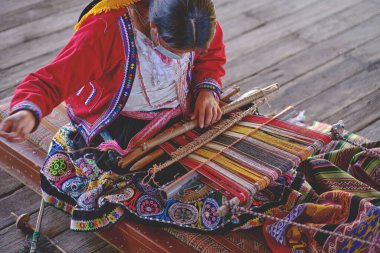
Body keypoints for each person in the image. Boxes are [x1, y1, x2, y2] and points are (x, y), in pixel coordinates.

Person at [0, 0, 227, 231]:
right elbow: (54, 79)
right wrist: (27, 112)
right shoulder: (106, 30)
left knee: (225, 161)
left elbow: (210, 58)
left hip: (182, 116)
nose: (182, 57)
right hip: (123, 129)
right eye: (176, 50)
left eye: (190, 52)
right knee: (157, 185)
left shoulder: (194, 16)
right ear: (155, 29)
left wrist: (207, 91)